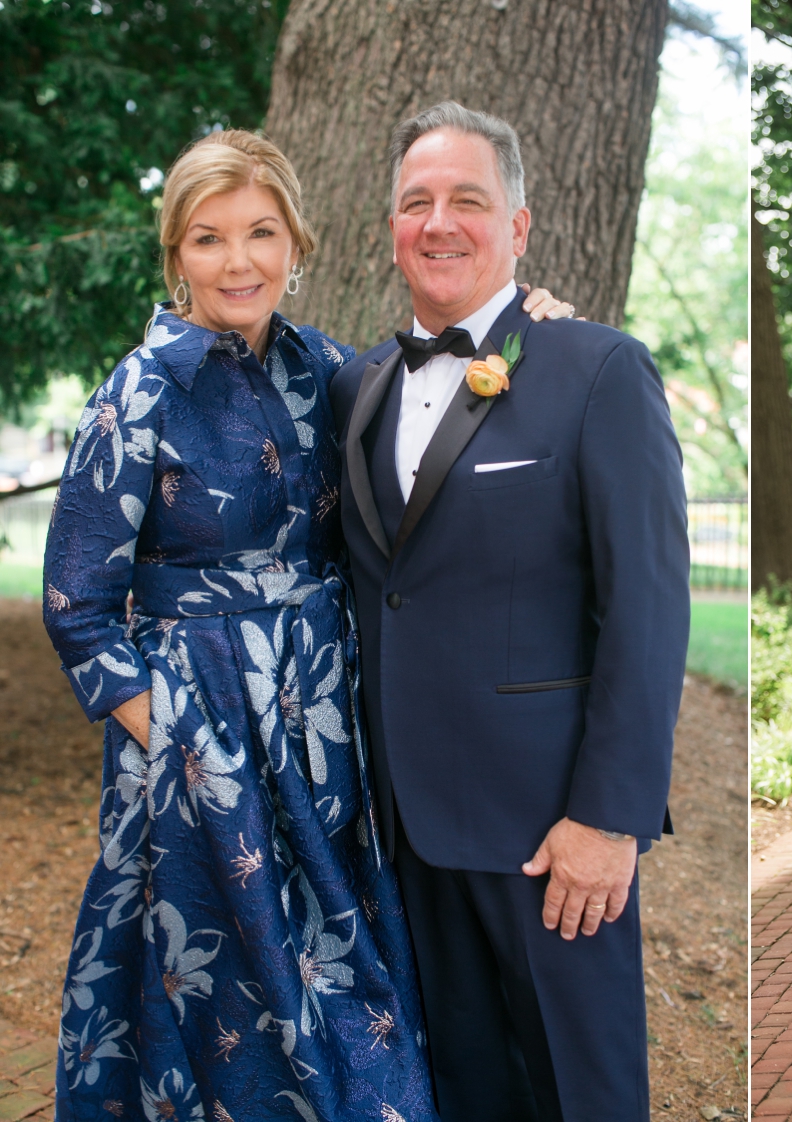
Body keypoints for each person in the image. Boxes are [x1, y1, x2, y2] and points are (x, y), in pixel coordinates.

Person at [40, 129, 569, 1120]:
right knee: (210, 994)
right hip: (193, 752)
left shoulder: (333, 373)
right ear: (176, 255)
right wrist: (181, 742)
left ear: (298, 244)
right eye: (208, 239)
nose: (237, 262)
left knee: (341, 982)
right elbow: (76, 605)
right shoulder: (139, 392)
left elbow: (434, 460)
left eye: (260, 233)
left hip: (324, 744)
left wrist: (540, 336)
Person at [329, 102, 689, 1122]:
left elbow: (648, 611)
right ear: (391, 227)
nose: (439, 224)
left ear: (519, 228)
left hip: (550, 834)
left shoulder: (598, 371)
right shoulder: (358, 389)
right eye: (416, 203)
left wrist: (608, 818)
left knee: (583, 1095)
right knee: (468, 1094)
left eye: (468, 201)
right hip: (405, 829)